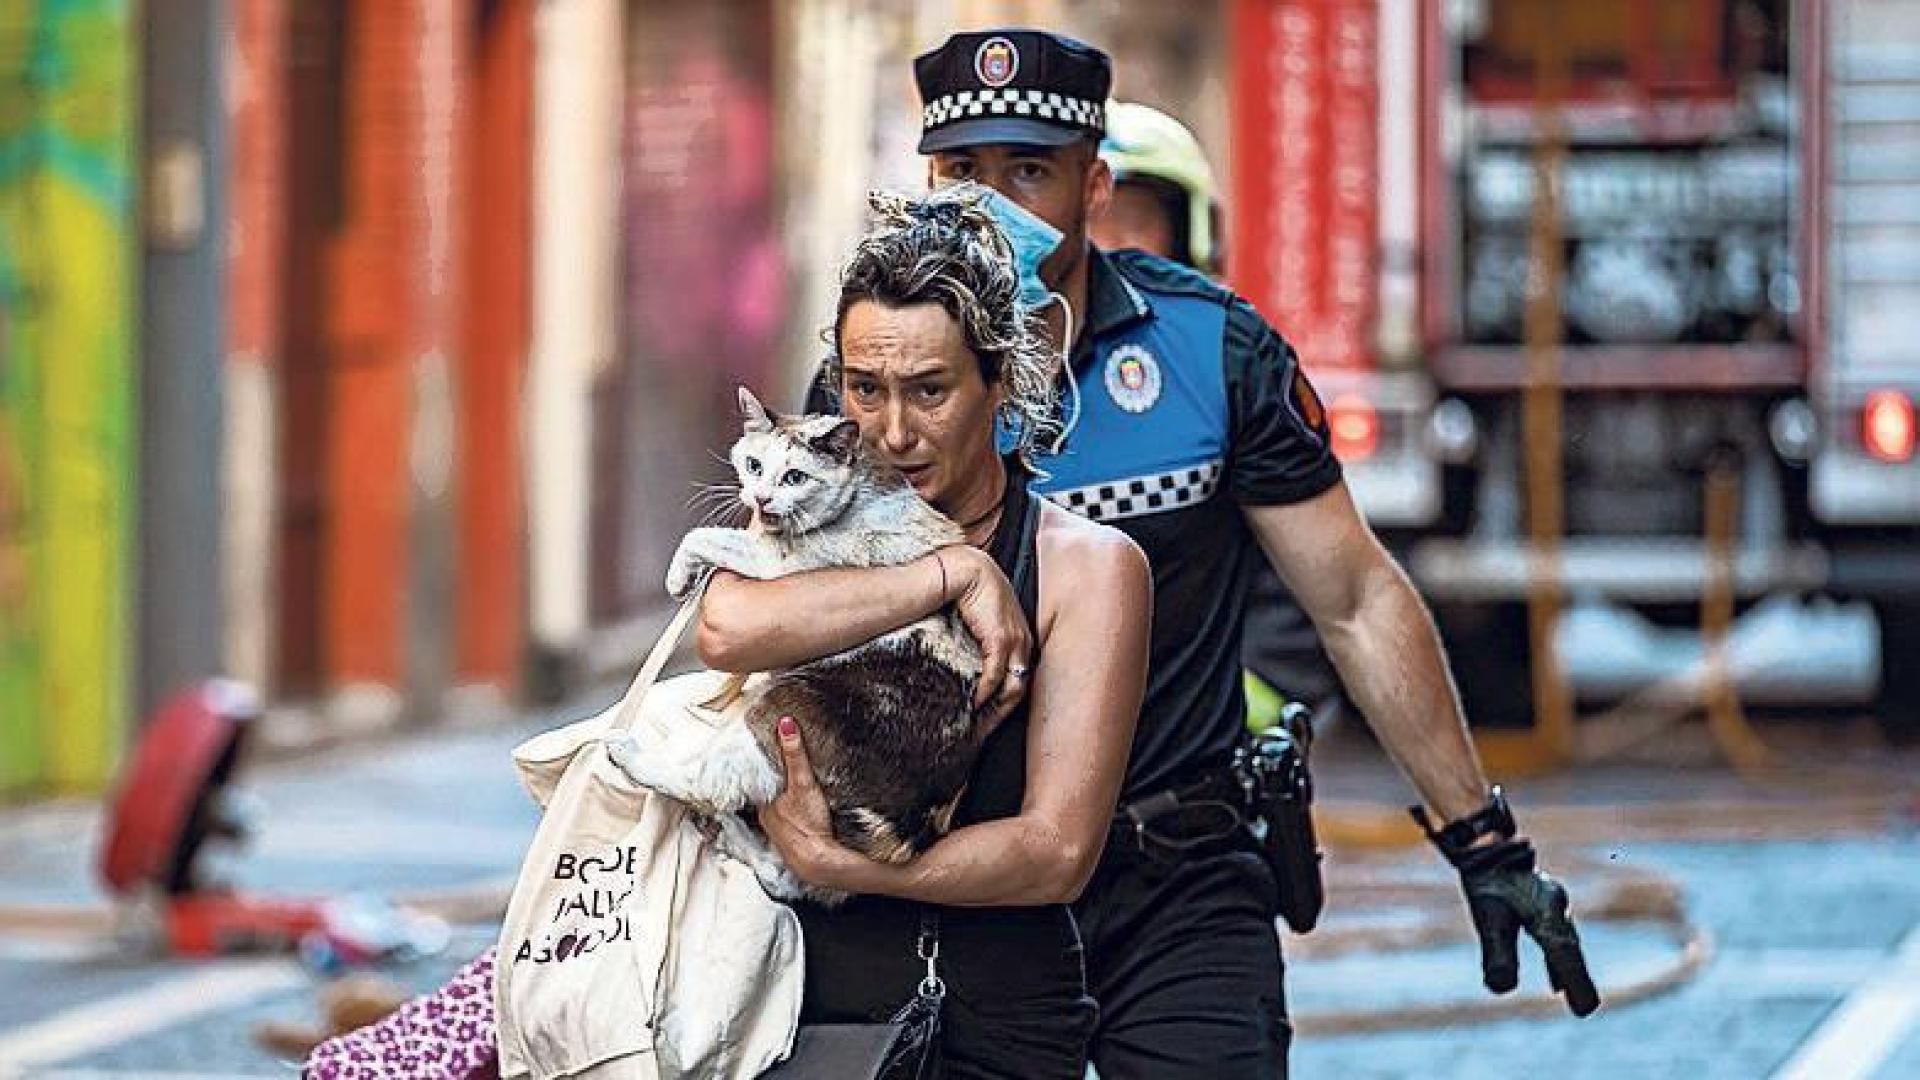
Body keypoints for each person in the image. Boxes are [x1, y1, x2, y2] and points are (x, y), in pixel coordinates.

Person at [885, 29, 1598, 1078]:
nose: (988, 208)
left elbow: (1355, 600)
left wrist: (1482, 842)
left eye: (1027, 171)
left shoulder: (1213, 352)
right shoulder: (877, 376)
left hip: (1181, 885)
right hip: (970, 892)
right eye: (961, 172)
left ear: (1094, 186)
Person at [702, 186, 1153, 1078]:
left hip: (986, 1022)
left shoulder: (1086, 566)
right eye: (865, 390)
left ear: (1000, 383)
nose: (894, 432)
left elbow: (1057, 853)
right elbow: (724, 627)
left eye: (931, 391)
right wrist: (952, 574)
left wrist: (845, 866)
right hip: (788, 1012)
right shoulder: (804, 513)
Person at [1090, 99, 1350, 734]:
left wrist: (1221, 713)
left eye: (1132, 222)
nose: (1106, 251)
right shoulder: (997, 383)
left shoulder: (1226, 375)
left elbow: (1309, 595)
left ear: (1189, 235)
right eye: (1090, 225)